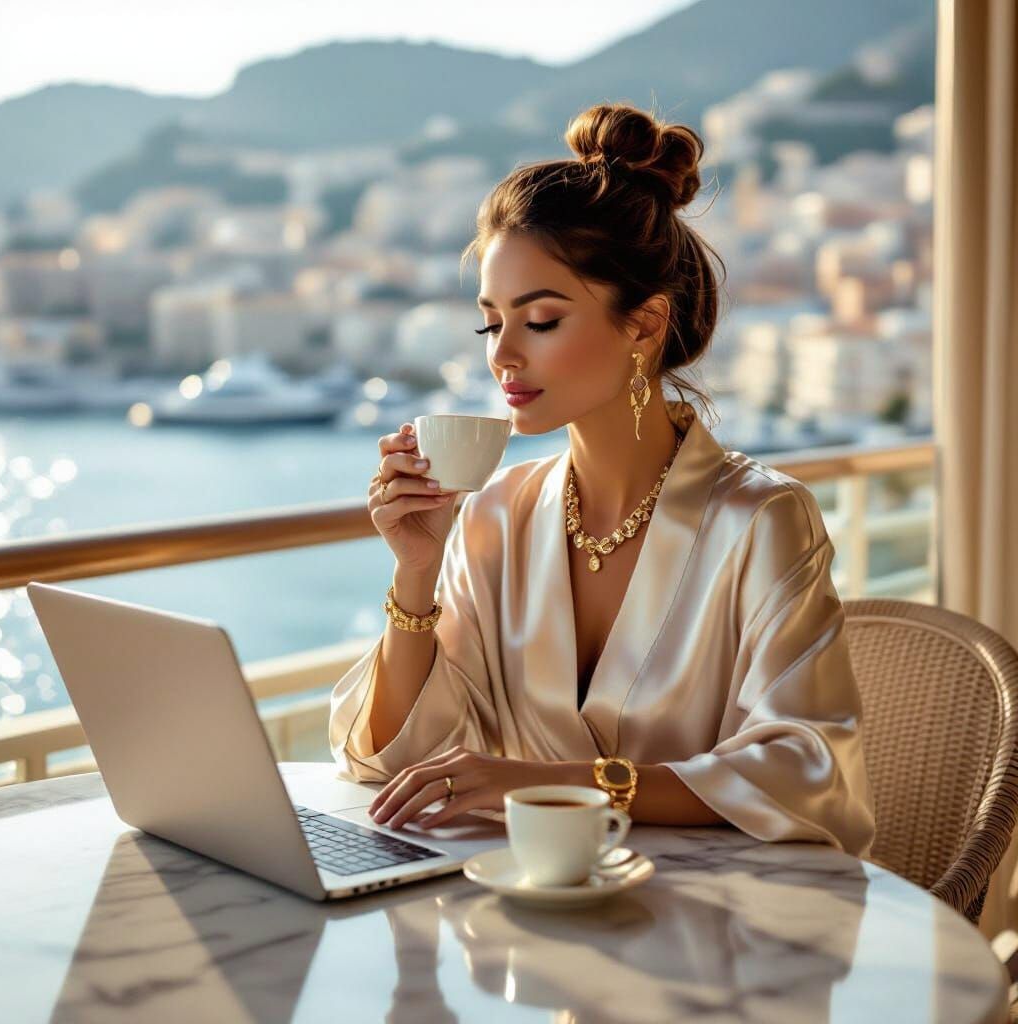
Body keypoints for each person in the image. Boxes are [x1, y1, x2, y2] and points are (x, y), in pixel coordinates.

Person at [328, 102, 876, 858]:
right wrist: (416, 573)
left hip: (720, 933)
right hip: (528, 915)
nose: (502, 356)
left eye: (541, 320)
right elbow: (390, 761)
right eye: (492, 322)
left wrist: (573, 781)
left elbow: (805, 771)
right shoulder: (495, 516)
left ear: (644, 326)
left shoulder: (761, 519)